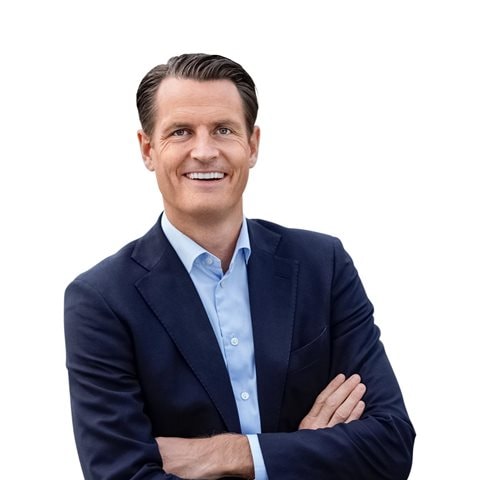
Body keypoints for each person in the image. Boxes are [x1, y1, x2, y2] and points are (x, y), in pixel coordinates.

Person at [64, 53, 415, 480]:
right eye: (180, 132)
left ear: (252, 145)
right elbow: (122, 474)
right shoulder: (101, 301)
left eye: (224, 130)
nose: (204, 151)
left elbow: (391, 445)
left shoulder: (323, 266)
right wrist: (302, 454)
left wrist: (226, 454)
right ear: (148, 149)